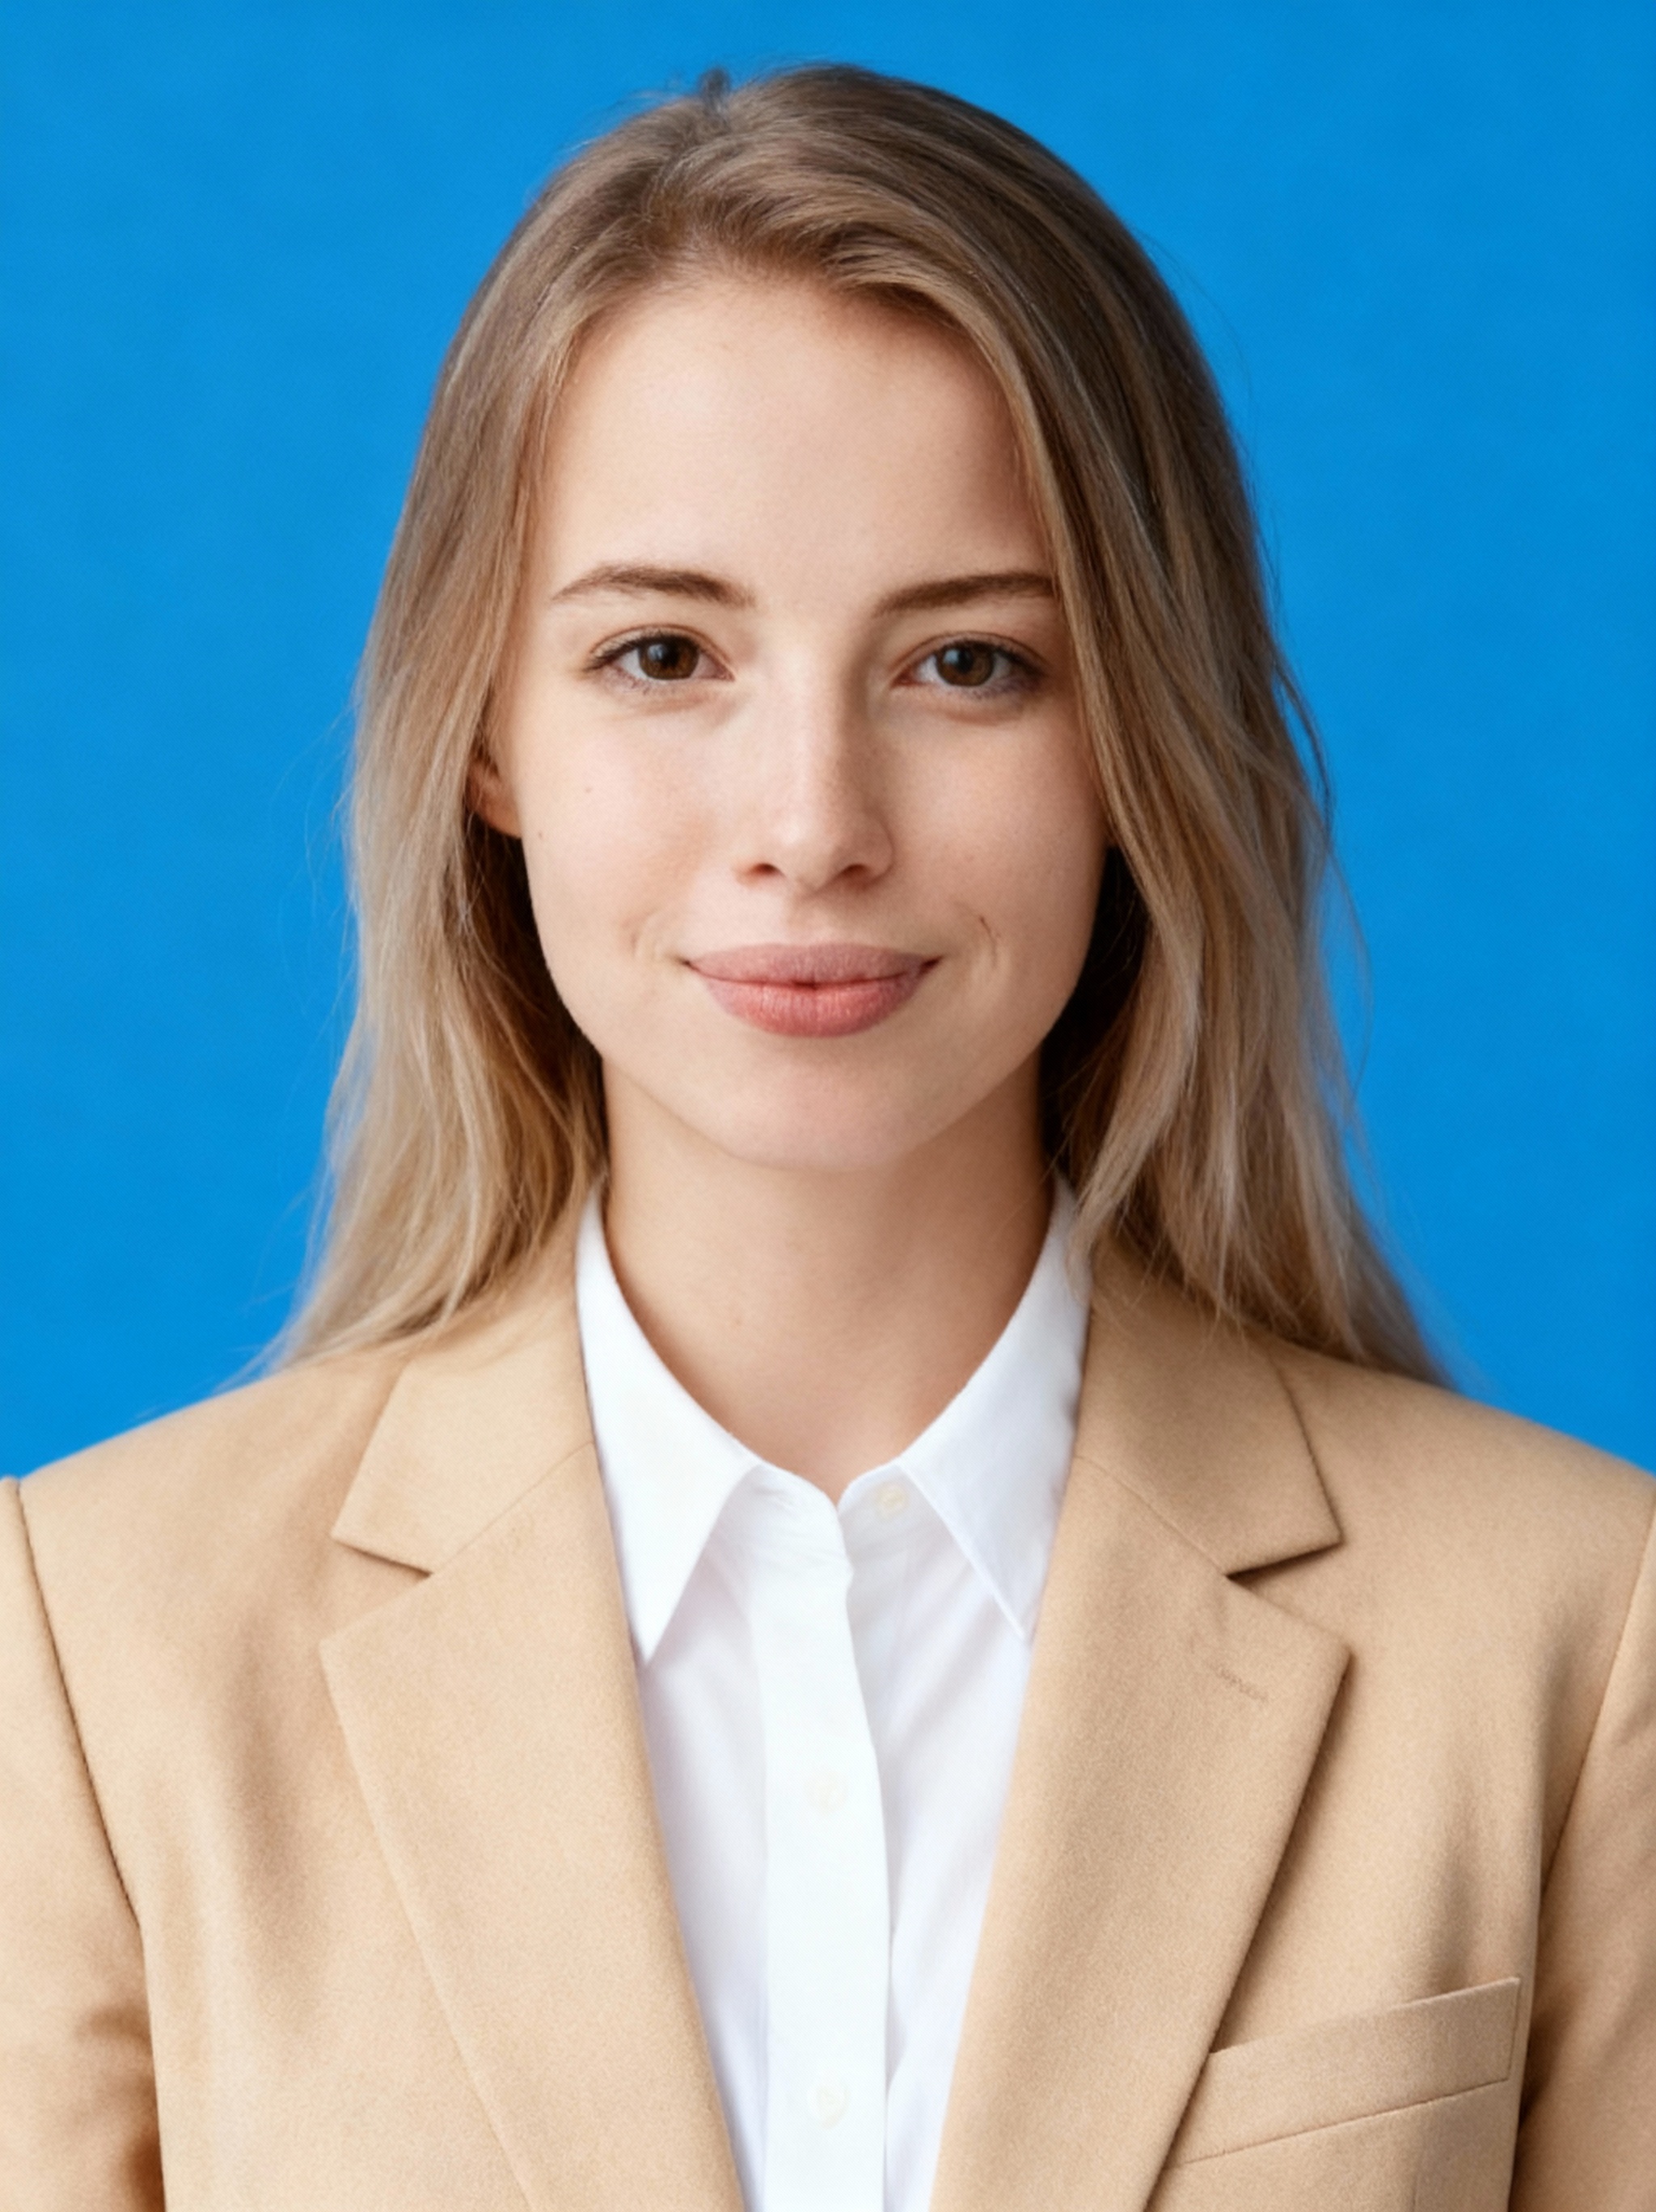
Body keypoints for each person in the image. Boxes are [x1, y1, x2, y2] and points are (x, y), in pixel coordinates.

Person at [2, 63, 1650, 2212]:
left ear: (1136, 745)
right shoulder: (90, 1656)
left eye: (967, 664)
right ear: (487, 736)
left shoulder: (1571, 1635)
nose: (813, 827)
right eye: (664, 654)